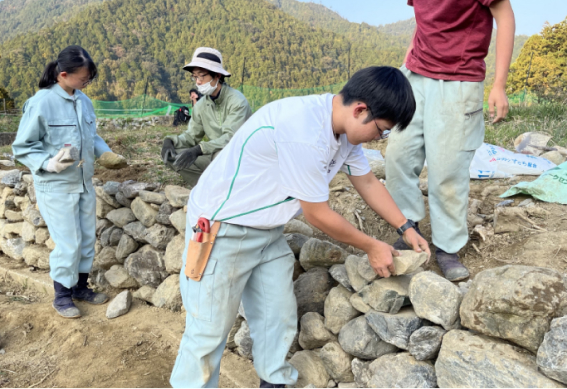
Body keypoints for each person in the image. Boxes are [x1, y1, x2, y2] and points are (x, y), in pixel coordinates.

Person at [169, 66, 430, 388]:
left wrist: (405, 227)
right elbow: (317, 214)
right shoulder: (303, 129)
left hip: (267, 231)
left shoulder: (343, 131)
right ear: (361, 109)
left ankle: (273, 382)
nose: (381, 138)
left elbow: (366, 179)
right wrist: (372, 246)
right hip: (222, 230)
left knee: (276, 318)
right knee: (207, 331)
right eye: (382, 130)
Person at [386, 0, 515, 281]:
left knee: (447, 171)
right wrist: (408, 59)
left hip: (459, 82)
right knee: (398, 155)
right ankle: (408, 226)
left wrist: (499, 85)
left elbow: (505, 17)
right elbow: (426, 21)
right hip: (414, 76)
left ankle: (447, 247)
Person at [12, 46, 125, 319]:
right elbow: (23, 146)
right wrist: (47, 162)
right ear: (63, 74)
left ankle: (80, 288)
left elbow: (91, 136)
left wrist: (104, 151)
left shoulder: (84, 101)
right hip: (56, 185)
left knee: (86, 239)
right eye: (83, 79)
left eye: (88, 79)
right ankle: (62, 295)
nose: (86, 83)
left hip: (83, 182)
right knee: (68, 243)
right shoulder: (41, 102)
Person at [161, 47, 252, 187]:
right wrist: (170, 141)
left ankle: (232, 188)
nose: (197, 81)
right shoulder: (201, 105)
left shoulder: (237, 101)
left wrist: (199, 149)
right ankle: (208, 188)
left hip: (239, 157)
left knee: (220, 157)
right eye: (195, 76)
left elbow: (231, 138)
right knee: (173, 156)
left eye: (201, 76)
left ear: (217, 76)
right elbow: (191, 136)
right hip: (214, 154)